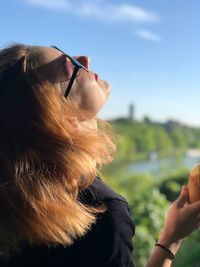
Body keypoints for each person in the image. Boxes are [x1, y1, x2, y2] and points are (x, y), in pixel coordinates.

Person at [0, 43, 200, 267]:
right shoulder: (101, 213)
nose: (85, 58)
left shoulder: (14, 205)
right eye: (70, 65)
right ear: (56, 117)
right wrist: (172, 238)